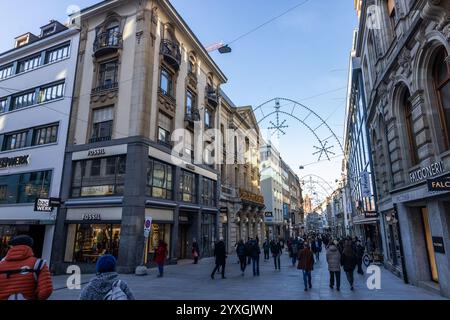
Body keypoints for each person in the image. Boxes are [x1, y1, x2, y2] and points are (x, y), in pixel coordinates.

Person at [0, 235, 53, 300]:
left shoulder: (1, 264)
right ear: (30, 246)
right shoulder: (39, 264)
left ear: (12, 247)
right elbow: (46, 290)